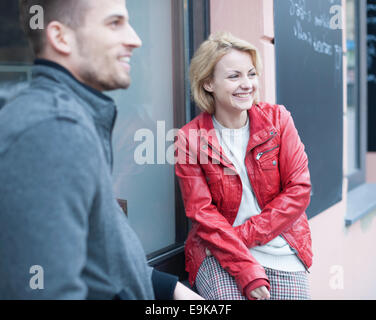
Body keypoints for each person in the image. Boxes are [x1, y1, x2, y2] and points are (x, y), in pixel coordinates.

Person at [0, 0, 203, 300]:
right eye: (114, 23)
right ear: (61, 38)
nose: (135, 39)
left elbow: (103, 250)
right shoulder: (54, 130)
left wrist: (172, 290)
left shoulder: (72, 120)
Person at [175, 32, 313, 300]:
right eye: (234, 76)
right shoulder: (189, 139)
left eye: (251, 74)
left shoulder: (278, 120)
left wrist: (243, 235)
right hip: (218, 254)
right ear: (208, 84)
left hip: (281, 251)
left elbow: (299, 190)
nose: (247, 84)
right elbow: (202, 214)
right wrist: (245, 266)